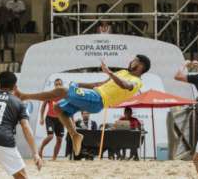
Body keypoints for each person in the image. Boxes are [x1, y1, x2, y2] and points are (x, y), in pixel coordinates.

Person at [14, 54, 151, 156]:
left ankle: (24, 96)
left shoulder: (137, 81)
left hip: (98, 100)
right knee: (58, 108)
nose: (130, 61)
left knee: (61, 91)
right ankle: (75, 135)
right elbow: (99, 85)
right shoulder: (123, 72)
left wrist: (109, 72)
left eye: (134, 60)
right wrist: (79, 84)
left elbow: (124, 84)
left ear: (140, 66)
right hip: (93, 95)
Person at [38, 78, 65, 160]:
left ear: (62, 85)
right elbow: (43, 107)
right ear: (54, 85)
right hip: (50, 118)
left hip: (61, 119)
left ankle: (54, 158)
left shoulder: (65, 95)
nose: (58, 86)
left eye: (60, 84)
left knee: (59, 139)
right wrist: (42, 118)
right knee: (50, 136)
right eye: (56, 84)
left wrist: (72, 122)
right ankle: (41, 148)